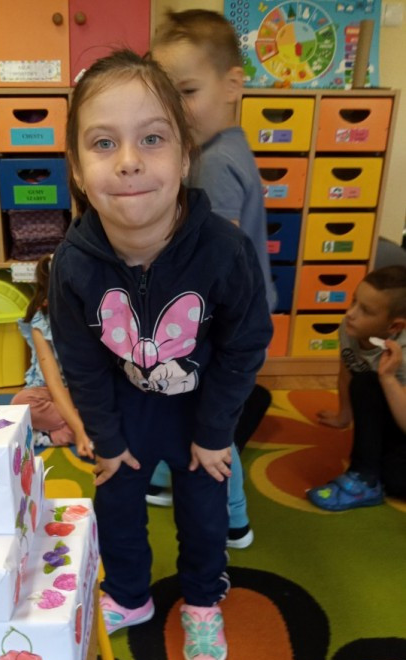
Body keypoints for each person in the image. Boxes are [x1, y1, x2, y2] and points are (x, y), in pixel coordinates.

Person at [49, 50, 272, 660]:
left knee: (203, 513)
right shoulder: (72, 264)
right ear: (77, 169)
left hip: (200, 410)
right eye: (104, 143)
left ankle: (202, 600)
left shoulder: (224, 250)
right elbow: (79, 361)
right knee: (116, 507)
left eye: (152, 138)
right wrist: (105, 437)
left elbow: (246, 342)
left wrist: (215, 431)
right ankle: (130, 595)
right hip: (126, 410)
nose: (128, 160)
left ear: (184, 156)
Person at [148, 9, 275, 546]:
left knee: (211, 421)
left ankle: (234, 518)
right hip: (231, 316)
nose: (176, 111)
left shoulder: (214, 165)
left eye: (188, 92)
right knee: (174, 402)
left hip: (223, 323)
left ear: (232, 86)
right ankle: (163, 477)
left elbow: (215, 261)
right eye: (166, 96)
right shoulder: (226, 146)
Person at [307, 266, 406, 510]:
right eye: (353, 301)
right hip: (392, 417)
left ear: (394, 326)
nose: (350, 314)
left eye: (366, 310)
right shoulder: (351, 327)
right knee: (364, 381)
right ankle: (365, 477)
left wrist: (389, 378)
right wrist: (343, 415)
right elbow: (348, 368)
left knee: (397, 483)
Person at [11, 255, 94, 458]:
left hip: (85, 391)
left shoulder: (94, 315)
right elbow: (54, 384)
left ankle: (52, 434)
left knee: (128, 406)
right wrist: (79, 428)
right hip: (50, 391)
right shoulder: (41, 323)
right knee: (21, 404)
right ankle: (84, 429)